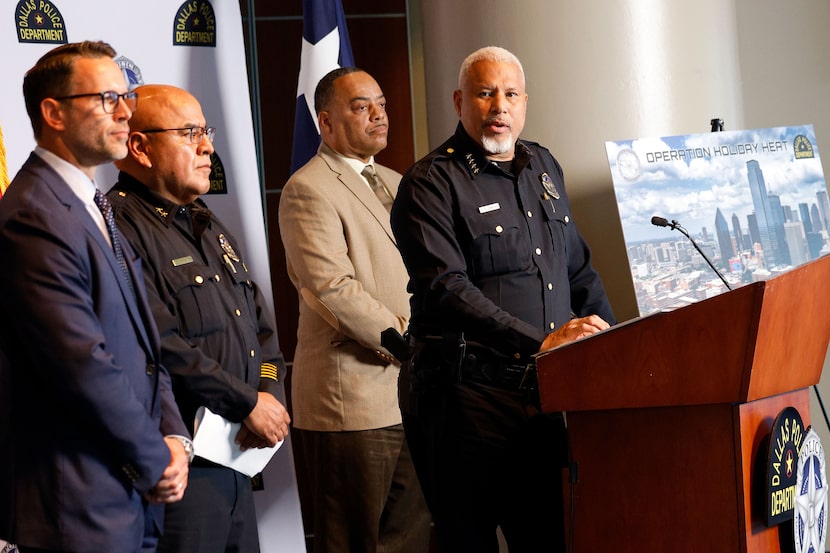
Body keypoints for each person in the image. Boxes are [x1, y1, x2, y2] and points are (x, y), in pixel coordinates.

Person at [390, 46, 617, 552]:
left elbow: (577, 269)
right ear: (459, 101)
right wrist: (543, 341)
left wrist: (615, 347)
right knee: (468, 543)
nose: (499, 107)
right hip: (466, 399)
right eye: (485, 93)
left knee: (549, 538)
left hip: (544, 398)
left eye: (510, 94)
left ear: (524, 102)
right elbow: (445, 288)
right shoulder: (430, 183)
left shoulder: (543, 166)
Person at [0, 41, 191, 553]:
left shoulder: (91, 205)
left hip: (130, 491)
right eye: (108, 98)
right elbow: (80, 363)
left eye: (125, 97)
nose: (126, 111)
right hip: (78, 503)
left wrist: (176, 439)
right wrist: (155, 458)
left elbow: (148, 347)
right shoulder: (33, 214)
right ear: (53, 113)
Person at [106, 84, 291, 553]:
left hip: (239, 457)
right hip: (179, 468)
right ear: (140, 146)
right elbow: (159, 342)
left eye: (204, 131)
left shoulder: (205, 222)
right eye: (189, 133)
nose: (208, 146)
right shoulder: (118, 228)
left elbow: (261, 332)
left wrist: (266, 393)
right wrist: (246, 401)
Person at [279, 67, 431, 553]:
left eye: (381, 104)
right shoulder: (308, 189)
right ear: (325, 122)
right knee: (354, 544)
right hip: (352, 400)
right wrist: (409, 342)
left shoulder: (398, 181)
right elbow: (329, 287)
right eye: (361, 106)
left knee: (406, 541)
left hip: (413, 397)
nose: (378, 115)